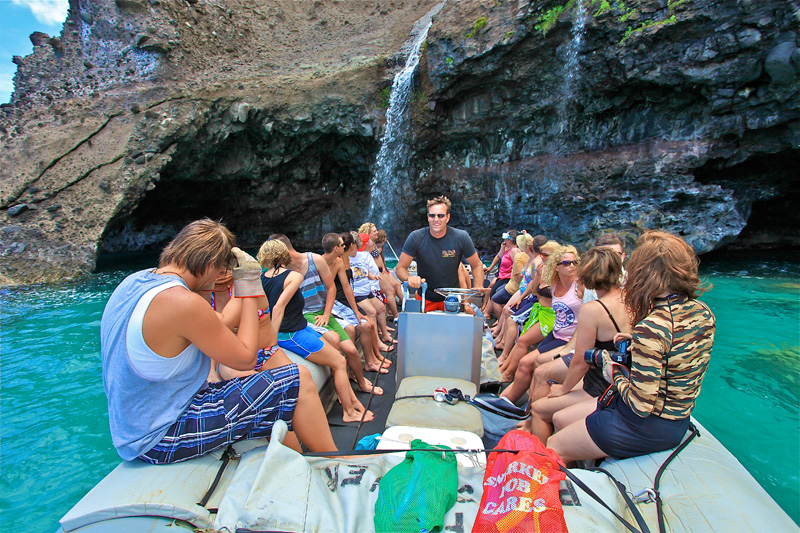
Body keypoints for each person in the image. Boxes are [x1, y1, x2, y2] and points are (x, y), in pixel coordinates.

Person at [100, 219, 336, 464]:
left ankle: (299, 464)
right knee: (295, 379)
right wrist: (246, 281)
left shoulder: (135, 282)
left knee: (262, 393)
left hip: (135, 429)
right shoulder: (181, 302)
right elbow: (246, 358)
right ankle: (335, 463)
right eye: (222, 267)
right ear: (211, 264)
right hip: (164, 436)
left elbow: (216, 325)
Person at [547, 231, 715, 462]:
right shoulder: (702, 312)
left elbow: (640, 404)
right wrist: (636, 343)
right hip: (677, 419)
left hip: (645, 425)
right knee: (562, 419)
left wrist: (612, 369)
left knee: (553, 445)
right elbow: (676, 354)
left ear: (644, 273)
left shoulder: (652, 327)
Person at [258, 239, 374, 424]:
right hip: (291, 333)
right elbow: (278, 307)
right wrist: (271, 343)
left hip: (301, 326)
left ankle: (352, 400)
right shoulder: (293, 276)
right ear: (284, 254)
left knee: (337, 353)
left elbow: (264, 309)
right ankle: (349, 412)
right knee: (338, 362)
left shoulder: (263, 278)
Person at [529, 247, 632, 444]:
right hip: (620, 382)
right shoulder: (631, 299)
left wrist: (564, 389)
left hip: (600, 385)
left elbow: (580, 361)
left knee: (540, 409)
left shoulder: (593, 309)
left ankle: (537, 459)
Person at [501, 244, 584, 403]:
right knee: (526, 361)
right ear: (557, 267)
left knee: (528, 363)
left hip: (568, 338)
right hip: (556, 332)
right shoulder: (554, 283)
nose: (571, 266)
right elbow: (535, 292)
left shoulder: (580, 286)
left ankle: (524, 406)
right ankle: (508, 399)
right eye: (566, 263)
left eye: (575, 262)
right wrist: (539, 274)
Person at [396, 195, 486, 312]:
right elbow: (400, 268)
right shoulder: (416, 237)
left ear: (447, 217)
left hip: (452, 300)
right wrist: (410, 278)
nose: (436, 219)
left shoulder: (461, 237)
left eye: (440, 215)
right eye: (432, 215)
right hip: (425, 297)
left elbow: (477, 265)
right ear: (428, 217)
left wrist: (478, 285)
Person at [321, 232, 384, 395]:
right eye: (341, 245)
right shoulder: (329, 263)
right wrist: (327, 313)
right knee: (353, 328)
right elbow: (329, 290)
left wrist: (356, 312)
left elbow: (347, 287)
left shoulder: (342, 261)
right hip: (333, 303)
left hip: (344, 301)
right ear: (337, 248)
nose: (344, 247)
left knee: (366, 323)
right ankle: (353, 372)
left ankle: (370, 361)